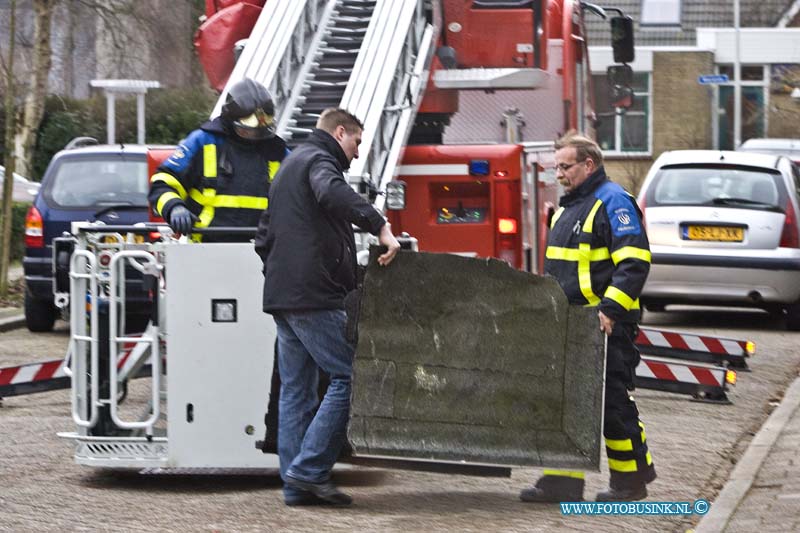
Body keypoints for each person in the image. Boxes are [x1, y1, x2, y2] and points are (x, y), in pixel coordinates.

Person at [255, 108, 401, 506]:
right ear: (340, 133)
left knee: (296, 392)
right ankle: (308, 471)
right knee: (349, 377)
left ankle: (295, 486)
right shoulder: (320, 162)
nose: (356, 154)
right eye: (356, 142)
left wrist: (283, 275)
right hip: (313, 296)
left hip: (285, 295)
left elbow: (262, 236)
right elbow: (331, 193)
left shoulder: (289, 166)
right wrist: (380, 225)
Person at [520, 133, 656, 503]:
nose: (558, 174)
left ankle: (630, 484)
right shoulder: (570, 206)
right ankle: (561, 483)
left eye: (565, 166)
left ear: (588, 165)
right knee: (564, 403)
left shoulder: (614, 202)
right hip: (571, 323)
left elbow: (634, 261)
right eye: (557, 166)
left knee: (612, 404)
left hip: (604, 324)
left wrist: (611, 310)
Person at [149, 78, 288, 241]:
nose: (255, 136)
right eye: (247, 131)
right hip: (205, 248)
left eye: (260, 131)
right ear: (230, 121)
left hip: (261, 251)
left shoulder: (277, 152)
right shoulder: (203, 142)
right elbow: (163, 181)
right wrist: (174, 207)